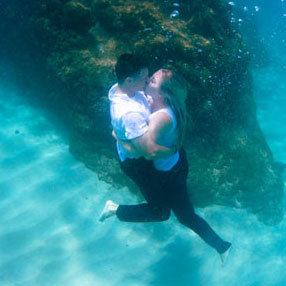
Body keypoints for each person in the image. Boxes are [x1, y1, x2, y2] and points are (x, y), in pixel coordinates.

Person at [100, 55, 231, 264]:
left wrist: (118, 137)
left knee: (178, 214)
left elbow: (148, 151)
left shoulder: (160, 116)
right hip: (171, 166)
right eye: (147, 78)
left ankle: (222, 246)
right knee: (175, 213)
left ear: (163, 93)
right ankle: (221, 246)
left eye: (151, 80)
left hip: (169, 171)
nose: (147, 80)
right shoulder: (159, 102)